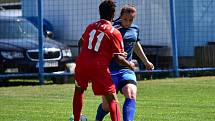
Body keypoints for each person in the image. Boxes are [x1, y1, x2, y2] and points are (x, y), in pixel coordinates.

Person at [72, 1, 136, 121]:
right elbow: (119, 59)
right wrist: (130, 64)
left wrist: (86, 56)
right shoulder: (114, 32)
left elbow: (80, 42)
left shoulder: (91, 26)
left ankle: (76, 119)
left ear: (100, 12)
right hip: (99, 66)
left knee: (79, 91)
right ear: (113, 16)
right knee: (112, 99)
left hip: (82, 63)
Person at [95, 4, 154, 121]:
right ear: (120, 16)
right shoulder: (112, 29)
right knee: (106, 106)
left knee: (131, 92)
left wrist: (146, 61)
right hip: (109, 71)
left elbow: (135, 45)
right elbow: (101, 49)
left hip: (126, 69)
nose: (128, 22)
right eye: (125, 19)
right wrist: (115, 54)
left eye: (131, 20)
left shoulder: (135, 29)